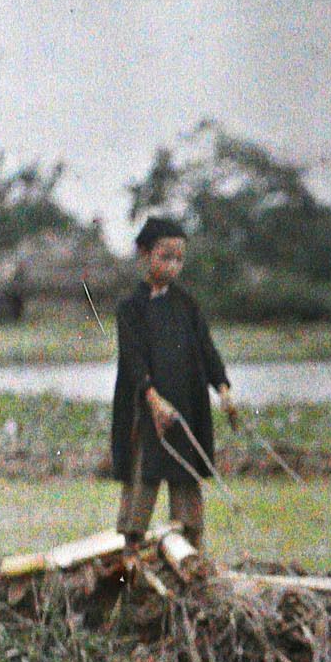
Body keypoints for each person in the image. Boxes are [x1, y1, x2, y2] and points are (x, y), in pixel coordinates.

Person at [111, 215, 238, 551]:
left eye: (179, 259)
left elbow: (207, 349)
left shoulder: (187, 305)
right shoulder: (130, 309)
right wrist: (153, 399)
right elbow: (133, 360)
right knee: (141, 487)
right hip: (147, 411)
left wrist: (223, 389)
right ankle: (130, 559)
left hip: (185, 409)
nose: (173, 266)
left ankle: (192, 560)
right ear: (144, 254)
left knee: (187, 492)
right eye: (165, 257)